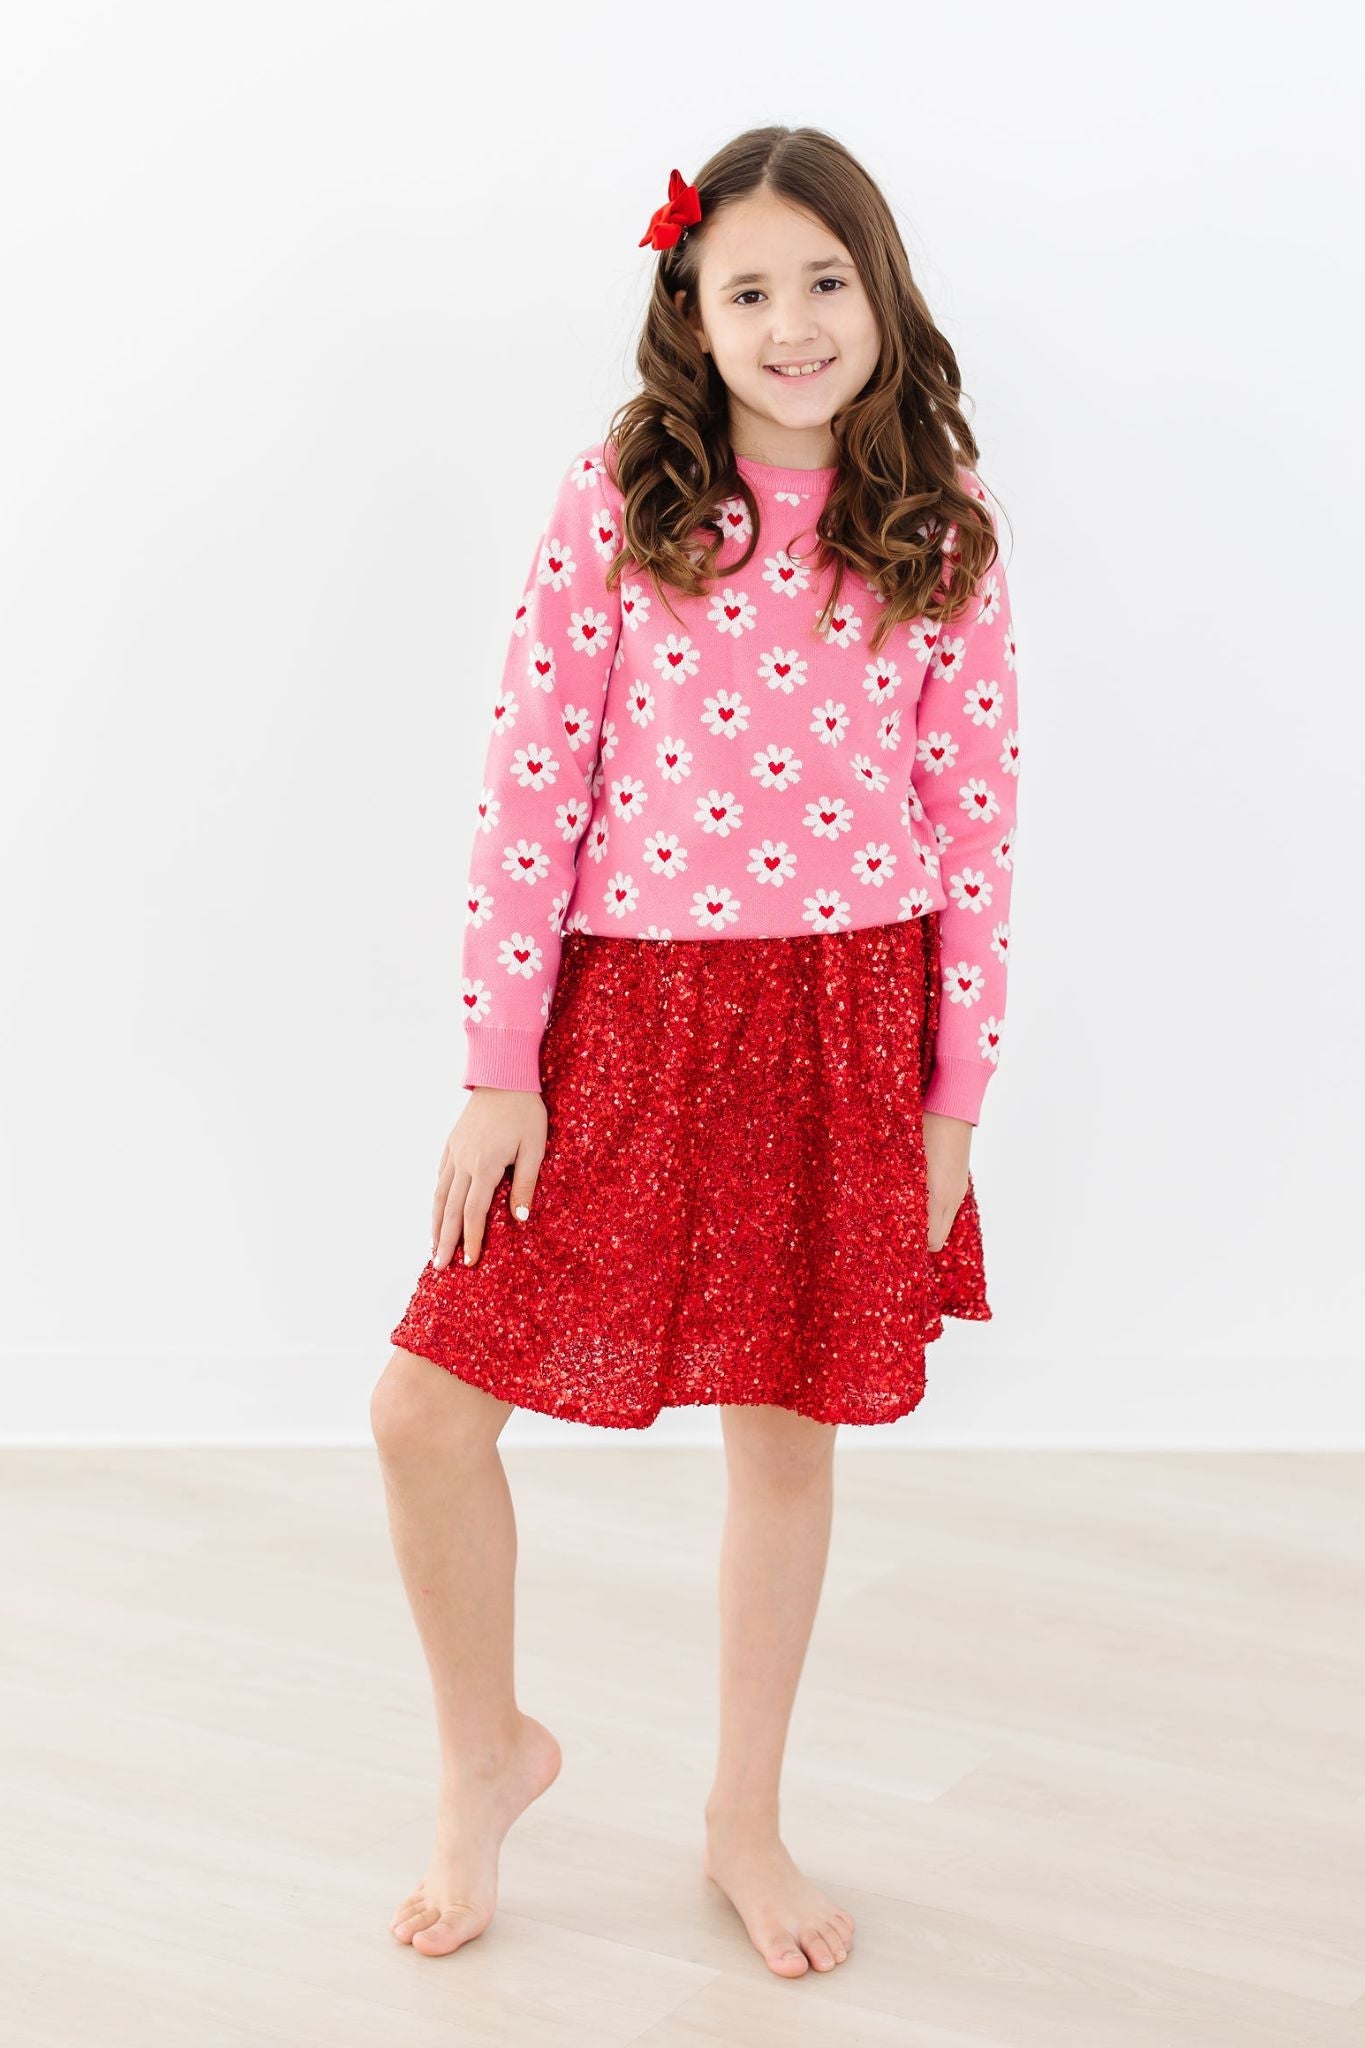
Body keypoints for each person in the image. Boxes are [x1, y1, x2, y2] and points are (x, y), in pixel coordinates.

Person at [370, 124, 1022, 1980]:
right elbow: (530, 780)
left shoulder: (938, 525)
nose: (793, 324)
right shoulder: (619, 500)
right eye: (749, 290)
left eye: (826, 282)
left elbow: (975, 822)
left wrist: (952, 1099)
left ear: (879, 294)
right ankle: (485, 1754)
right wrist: (502, 1064)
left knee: (787, 1440)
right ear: (693, 311)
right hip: (623, 1018)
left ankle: (745, 1815)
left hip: (842, 1017)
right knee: (424, 1411)